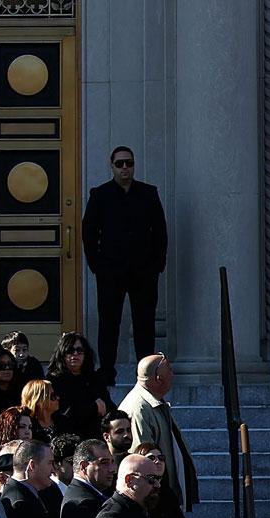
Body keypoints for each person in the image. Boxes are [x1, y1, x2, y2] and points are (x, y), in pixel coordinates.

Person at [82, 145, 168, 385]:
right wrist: (97, 265)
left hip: (143, 271)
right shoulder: (100, 195)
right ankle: (107, 371)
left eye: (128, 163)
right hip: (111, 271)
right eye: (119, 163)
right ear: (112, 166)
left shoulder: (148, 193)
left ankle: (146, 372)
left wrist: (157, 264)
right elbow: (89, 232)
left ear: (134, 165)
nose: (124, 168)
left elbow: (160, 231)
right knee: (109, 322)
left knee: (144, 324)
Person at [119, 354, 198, 512]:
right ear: (158, 378)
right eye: (169, 370)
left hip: (165, 496)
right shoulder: (138, 408)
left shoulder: (154, 402)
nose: (173, 375)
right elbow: (142, 458)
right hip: (155, 501)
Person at [48, 332, 113, 441]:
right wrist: (94, 407)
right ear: (62, 354)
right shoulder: (54, 380)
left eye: (79, 350)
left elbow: (108, 406)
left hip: (96, 435)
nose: (75, 354)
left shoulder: (94, 378)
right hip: (68, 437)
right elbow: (66, 412)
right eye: (70, 350)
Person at [21, 379, 59, 444]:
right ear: (39, 400)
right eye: (53, 396)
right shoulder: (27, 424)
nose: (58, 398)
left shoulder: (63, 421)